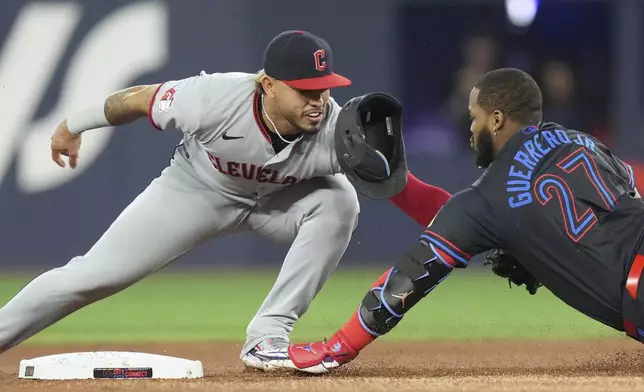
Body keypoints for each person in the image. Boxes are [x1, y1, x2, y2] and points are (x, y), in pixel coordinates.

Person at [0, 29, 451, 372]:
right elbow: (136, 100)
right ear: (269, 84)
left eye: (325, 88)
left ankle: (268, 335)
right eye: (306, 90)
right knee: (90, 277)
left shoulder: (338, 131)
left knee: (340, 201)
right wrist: (72, 125)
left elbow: (406, 191)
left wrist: (478, 225)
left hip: (282, 203)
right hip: (195, 190)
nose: (319, 101)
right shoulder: (214, 98)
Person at [287, 67, 644, 374]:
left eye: (475, 117)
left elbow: (404, 283)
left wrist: (338, 347)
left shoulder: (485, 200)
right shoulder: (581, 142)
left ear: (497, 119)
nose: (471, 129)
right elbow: (629, 203)